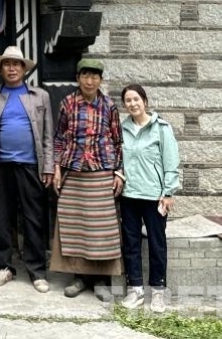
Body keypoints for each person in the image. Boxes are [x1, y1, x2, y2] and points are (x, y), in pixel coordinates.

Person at [0, 46, 54, 293]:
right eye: (6, 64)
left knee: (33, 219)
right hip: (1, 167)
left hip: (31, 166)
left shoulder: (40, 96)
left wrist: (49, 167)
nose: (11, 68)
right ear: (1, 69)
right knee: (2, 219)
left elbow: (48, 135)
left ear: (23, 69)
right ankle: (4, 267)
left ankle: (37, 271)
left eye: (16, 64)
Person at [51, 58, 124, 300]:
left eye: (94, 76)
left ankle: (101, 280)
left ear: (100, 80)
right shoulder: (68, 103)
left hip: (102, 172)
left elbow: (118, 141)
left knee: (101, 228)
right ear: (78, 78)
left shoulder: (109, 106)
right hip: (74, 172)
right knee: (76, 225)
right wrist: (56, 168)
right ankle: (79, 277)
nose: (89, 81)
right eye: (85, 76)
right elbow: (59, 138)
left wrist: (119, 172)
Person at [119, 83, 180, 313]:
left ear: (144, 101)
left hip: (155, 196)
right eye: (128, 100)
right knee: (131, 243)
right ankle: (135, 289)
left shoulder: (161, 128)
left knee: (157, 244)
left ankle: (158, 292)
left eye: (136, 99)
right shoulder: (122, 129)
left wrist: (168, 192)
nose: (133, 104)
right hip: (129, 195)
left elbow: (171, 161)